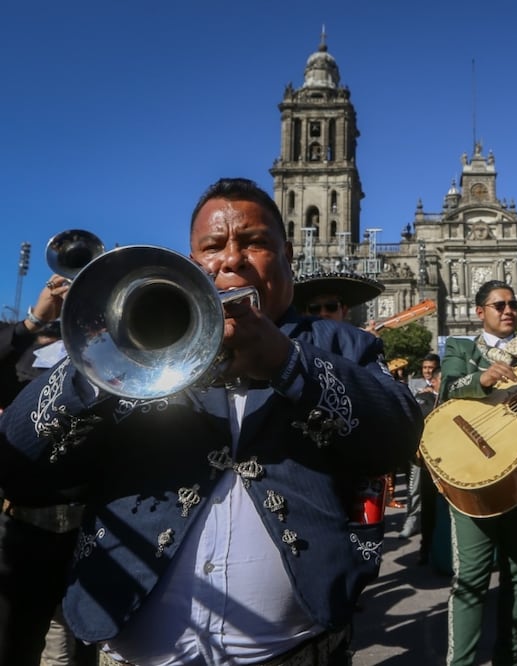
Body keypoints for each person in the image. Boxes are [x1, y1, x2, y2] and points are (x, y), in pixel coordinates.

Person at [0, 177, 423, 664]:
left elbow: (398, 437)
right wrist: (103, 366)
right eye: (213, 246)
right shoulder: (126, 346)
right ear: (192, 261)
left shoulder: (341, 344)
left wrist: (287, 362)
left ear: (288, 256)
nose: (232, 259)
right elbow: (17, 463)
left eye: (255, 243)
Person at [439, 280, 517, 666]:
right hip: (471, 474)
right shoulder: (461, 348)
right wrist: (483, 379)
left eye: (513, 303)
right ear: (480, 312)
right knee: (470, 578)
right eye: (499, 304)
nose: (509, 310)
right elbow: (448, 392)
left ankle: (509, 659)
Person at [0, 276, 94, 666]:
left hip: (87, 537)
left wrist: (92, 320)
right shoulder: (18, 357)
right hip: (21, 535)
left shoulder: (96, 356)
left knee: (76, 653)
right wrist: (34, 322)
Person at [400, 353, 439, 540]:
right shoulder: (415, 385)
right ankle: (412, 520)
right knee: (414, 487)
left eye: (431, 368)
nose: (427, 372)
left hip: (440, 448)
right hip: (418, 447)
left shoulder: (444, 385)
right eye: (425, 368)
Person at [408, 353, 441, 566]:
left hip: (452, 462)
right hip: (430, 463)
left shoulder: (454, 400)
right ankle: (426, 547)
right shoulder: (423, 398)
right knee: (427, 505)